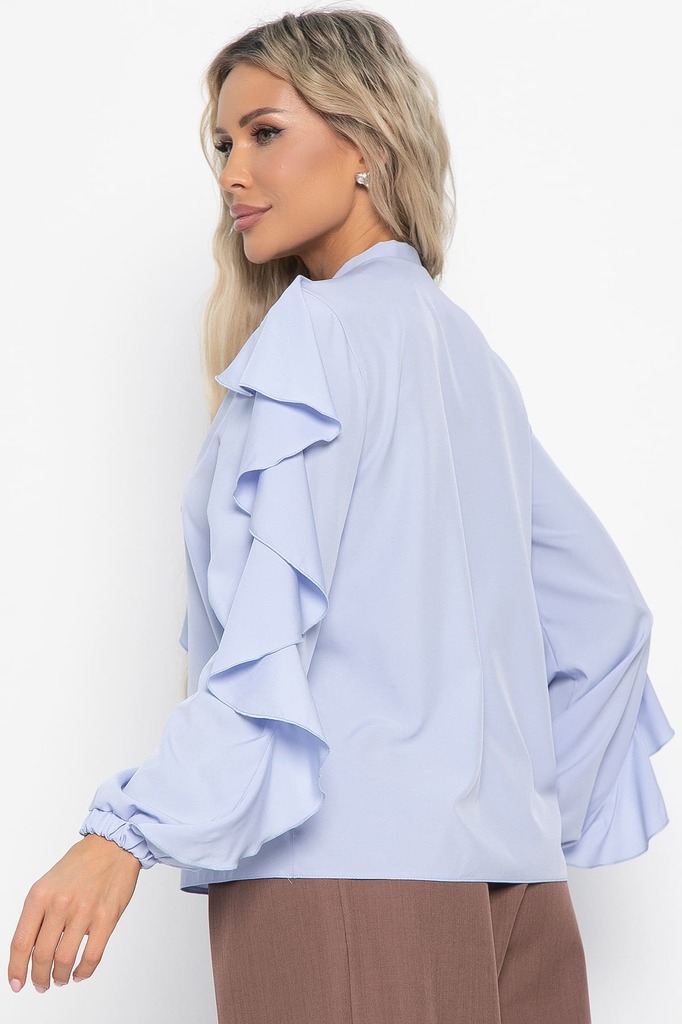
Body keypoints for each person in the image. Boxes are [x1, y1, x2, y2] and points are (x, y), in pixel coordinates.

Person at [7, 7, 674, 1022]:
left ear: (366, 140)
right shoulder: (466, 355)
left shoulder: (312, 336)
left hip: (340, 884)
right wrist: (511, 810)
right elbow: (607, 621)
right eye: (223, 145)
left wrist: (120, 836)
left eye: (264, 132)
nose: (233, 173)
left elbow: (264, 652)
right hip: (521, 891)